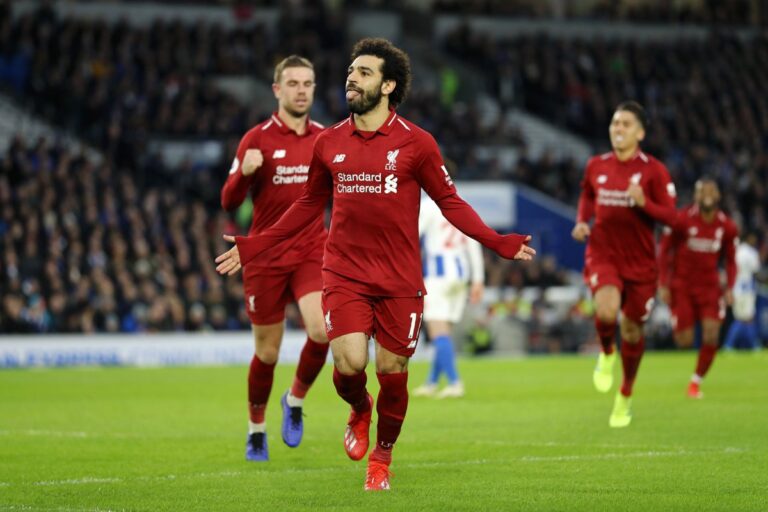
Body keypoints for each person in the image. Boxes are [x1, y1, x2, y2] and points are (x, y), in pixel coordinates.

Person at [215, 38, 535, 490]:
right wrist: (255, 244)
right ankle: (359, 408)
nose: (351, 78)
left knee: (393, 371)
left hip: (399, 278)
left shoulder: (417, 143)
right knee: (348, 363)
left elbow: (450, 202)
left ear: (388, 85)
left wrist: (496, 242)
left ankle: (381, 458)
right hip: (343, 271)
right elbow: (306, 206)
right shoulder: (329, 142)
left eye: (364, 72)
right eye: (351, 71)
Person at [220, 55, 329, 462]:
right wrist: (244, 173)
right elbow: (229, 201)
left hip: (310, 251)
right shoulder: (256, 139)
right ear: (277, 90)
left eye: (308, 83)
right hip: (265, 257)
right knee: (267, 353)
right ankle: (256, 428)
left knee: (322, 331)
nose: (301, 90)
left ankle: (295, 399)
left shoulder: (325, 139)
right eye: (293, 83)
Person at [571, 100, 677, 428]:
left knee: (632, 330)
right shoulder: (596, 165)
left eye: (626, 124)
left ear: (640, 133)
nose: (618, 128)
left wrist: (644, 203)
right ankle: (606, 352)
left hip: (641, 264)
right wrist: (582, 221)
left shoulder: (654, 171)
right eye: (615, 123)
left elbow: (672, 218)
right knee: (606, 312)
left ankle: (625, 394)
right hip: (603, 253)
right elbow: (588, 195)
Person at [657, 178, 738, 398]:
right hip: (682, 285)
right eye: (703, 191)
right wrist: (663, 283)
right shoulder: (681, 220)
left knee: (712, 335)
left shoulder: (727, 226)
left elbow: (731, 260)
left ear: (718, 195)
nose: (707, 195)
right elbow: (664, 251)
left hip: (710, 287)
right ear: (696, 196)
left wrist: (730, 287)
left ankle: (695, 382)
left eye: (711, 191)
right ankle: (679, 320)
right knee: (684, 341)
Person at [412, 184, 484, 399]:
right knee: (443, 332)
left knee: (438, 331)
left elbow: (413, 234)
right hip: (461, 275)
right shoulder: (461, 205)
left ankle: (454, 382)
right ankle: (432, 382)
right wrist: (478, 279)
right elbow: (474, 242)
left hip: (438, 275)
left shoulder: (429, 206)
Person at [723, 233, 762, 351]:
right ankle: (729, 345)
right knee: (746, 319)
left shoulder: (735, 251)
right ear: (750, 238)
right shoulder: (751, 252)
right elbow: (756, 271)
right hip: (747, 289)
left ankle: (752, 345)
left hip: (735, 289)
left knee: (743, 318)